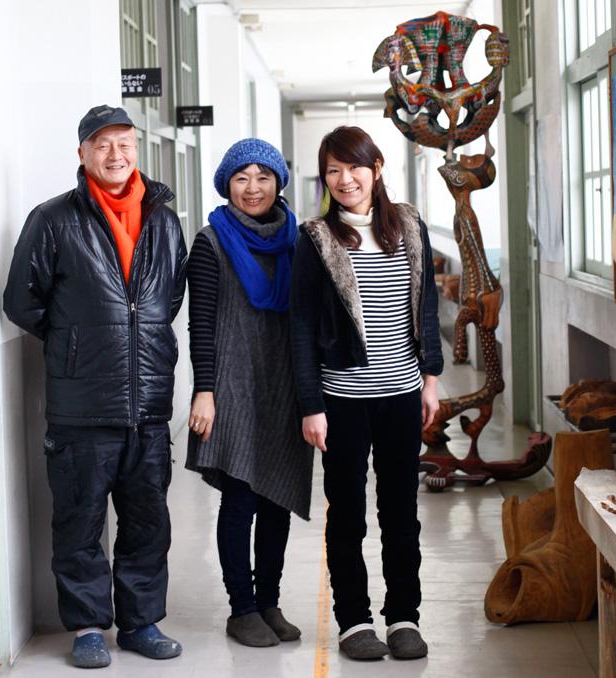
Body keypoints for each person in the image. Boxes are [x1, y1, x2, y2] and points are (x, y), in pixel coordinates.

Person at [3, 105, 187, 668]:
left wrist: (138, 337)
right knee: (79, 521)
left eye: (125, 144)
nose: (115, 154)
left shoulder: (163, 218)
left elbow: (169, 296)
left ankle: (140, 623)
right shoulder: (54, 218)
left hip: (149, 403)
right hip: (82, 406)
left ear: (137, 150)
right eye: (102, 144)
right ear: (82, 153)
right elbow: (21, 301)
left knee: (147, 521)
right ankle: (85, 626)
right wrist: (77, 344)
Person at [290, 126, 443, 661]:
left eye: (353, 166)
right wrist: (311, 404)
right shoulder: (315, 239)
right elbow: (302, 326)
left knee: (401, 511)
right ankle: (354, 621)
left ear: (376, 166)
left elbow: (425, 304)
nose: (345, 179)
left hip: (402, 392)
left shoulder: (409, 225)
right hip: (342, 402)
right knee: (348, 514)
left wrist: (432, 377)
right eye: (333, 170)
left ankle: (404, 616)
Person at [185, 138, 314, 647]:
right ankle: (241, 608)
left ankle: (269, 603)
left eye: (263, 176)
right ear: (227, 186)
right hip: (233, 387)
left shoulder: (298, 241)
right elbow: (200, 325)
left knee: (277, 498)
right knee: (240, 499)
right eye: (242, 178)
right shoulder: (210, 242)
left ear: (278, 182)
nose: (253, 187)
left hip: (284, 385)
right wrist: (204, 390)